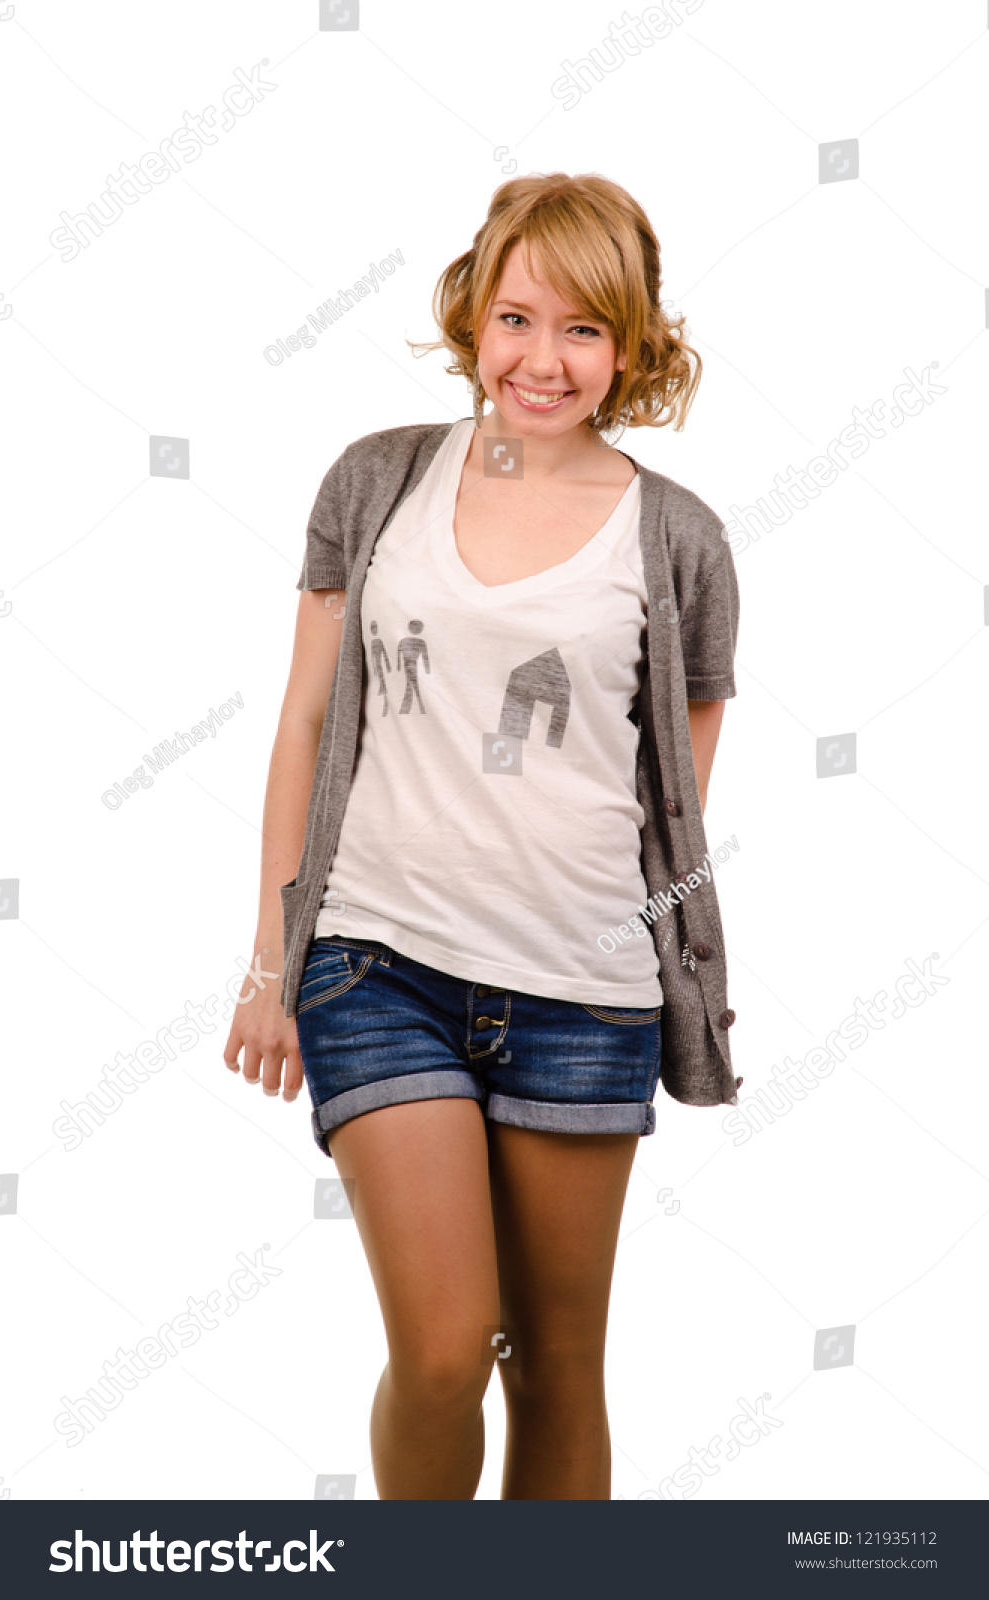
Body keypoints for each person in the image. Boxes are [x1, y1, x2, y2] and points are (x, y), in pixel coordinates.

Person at [223, 172, 740, 1501]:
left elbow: (672, 805)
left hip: (580, 991)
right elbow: (300, 725)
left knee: (557, 1365)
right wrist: (275, 958)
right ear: (471, 315)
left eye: (583, 328)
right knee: (449, 1350)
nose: (543, 359)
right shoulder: (378, 481)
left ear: (629, 344)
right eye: (517, 317)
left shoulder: (677, 539)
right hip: (375, 964)